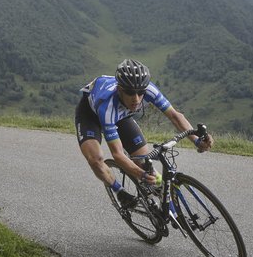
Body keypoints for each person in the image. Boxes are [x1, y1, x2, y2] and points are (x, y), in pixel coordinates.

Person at [75, 59, 213, 208]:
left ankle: (161, 196)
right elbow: (118, 154)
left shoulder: (148, 89)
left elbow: (175, 116)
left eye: (140, 93)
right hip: (90, 115)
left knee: (143, 161)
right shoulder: (107, 107)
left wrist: (197, 140)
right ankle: (119, 191)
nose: (136, 99)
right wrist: (140, 175)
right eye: (130, 93)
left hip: (121, 114)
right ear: (120, 89)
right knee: (96, 159)